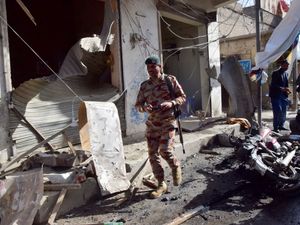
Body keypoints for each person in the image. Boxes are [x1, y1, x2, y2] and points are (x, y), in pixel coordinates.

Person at [135, 55, 186, 198]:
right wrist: (145, 108)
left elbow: (182, 97)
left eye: (153, 67)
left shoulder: (170, 80)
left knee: (164, 151)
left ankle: (175, 166)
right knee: (153, 155)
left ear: (160, 66)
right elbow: (138, 105)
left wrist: (171, 103)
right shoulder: (144, 86)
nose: (151, 70)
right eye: (148, 68)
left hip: (168, 122)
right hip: (152, 124)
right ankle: (161, 184)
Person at [269, 59, 291, 132]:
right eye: (286, 65)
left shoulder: (286, 74)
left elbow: (286, 84)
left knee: (283, 111)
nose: (287, 66)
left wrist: (287, 89)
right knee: (278, 110)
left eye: (288, 65)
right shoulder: (276, 73)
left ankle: (281, 125)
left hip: (283, 96)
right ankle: (275, 127)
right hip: (275, 95)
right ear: (282, 65)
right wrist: (281, 89)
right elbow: (273, 85)